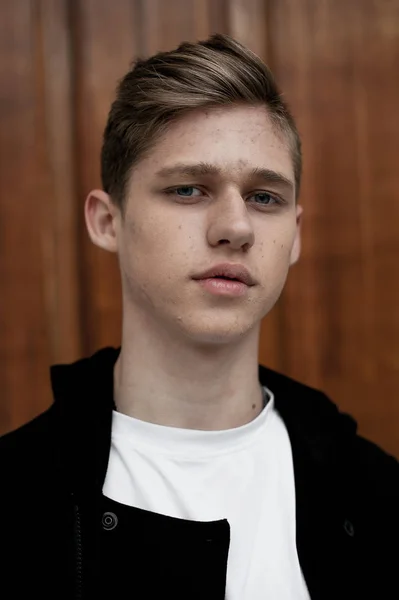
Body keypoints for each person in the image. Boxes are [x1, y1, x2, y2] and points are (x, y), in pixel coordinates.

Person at [1, 33, 398, 600]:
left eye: (264, 197)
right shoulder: (17, 499)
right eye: (189, 189)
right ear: (106, 221)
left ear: (294, 237)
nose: (235, 227)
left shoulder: (375, 492)